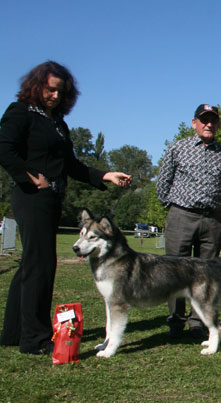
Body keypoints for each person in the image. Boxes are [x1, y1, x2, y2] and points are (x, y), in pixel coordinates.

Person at [0, 61, 131, 354]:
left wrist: (104, 175)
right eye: (50, 90)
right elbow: (4, 148)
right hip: (31, 197)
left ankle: (13, 333)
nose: (55, 96)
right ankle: (35, 340)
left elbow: (71, 165)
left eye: (61, 92)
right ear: (36, 86)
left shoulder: (57, 123)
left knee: (30, 265)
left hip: (52, 199)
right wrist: (29, 176)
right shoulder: (20, 112)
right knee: (41, 265)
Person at [156, 104, 221, 339]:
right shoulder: (178, 148)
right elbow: (163, 183)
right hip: (182, 216)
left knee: (205, 275)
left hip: (212, 220)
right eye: (204, 120)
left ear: (218, 124)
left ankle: (198, 322)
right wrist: (174, 206)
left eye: (213, 120)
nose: (208, 124)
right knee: (175, 271)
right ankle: (176, 322)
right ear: (194, 123)